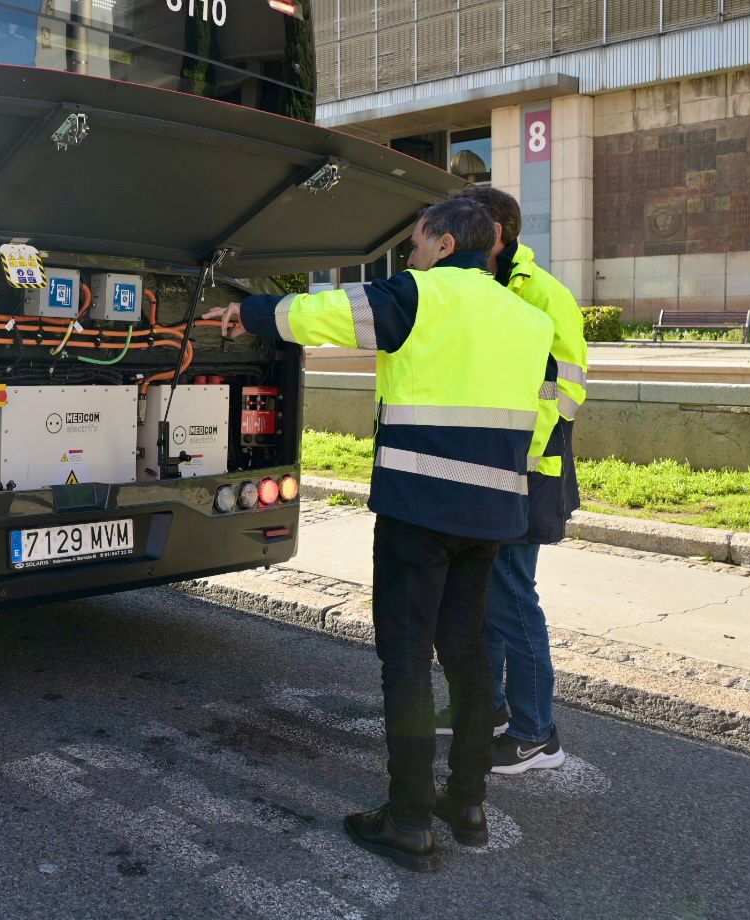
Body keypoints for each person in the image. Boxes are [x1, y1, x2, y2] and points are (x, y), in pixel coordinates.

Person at [204, 198, 556, 873]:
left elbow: (326, 313)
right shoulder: (527, 318)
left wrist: (250, 312)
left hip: (418, 511)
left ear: (446, 243)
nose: (410, 257)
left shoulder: (418, 294)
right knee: (470, 657)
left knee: (407, 661)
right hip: (492, 516)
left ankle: (409, 820)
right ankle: (468, 804)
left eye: (416, 244)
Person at [435, 184, 587, 774]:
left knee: (514, 601)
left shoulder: (544, 294)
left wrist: (514, 457)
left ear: (494, 232)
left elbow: (563, 391)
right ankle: (491, 708)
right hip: (487, 468)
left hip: (525, 473)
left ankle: (536, 734)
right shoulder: (480, 284)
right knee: (484, 600)